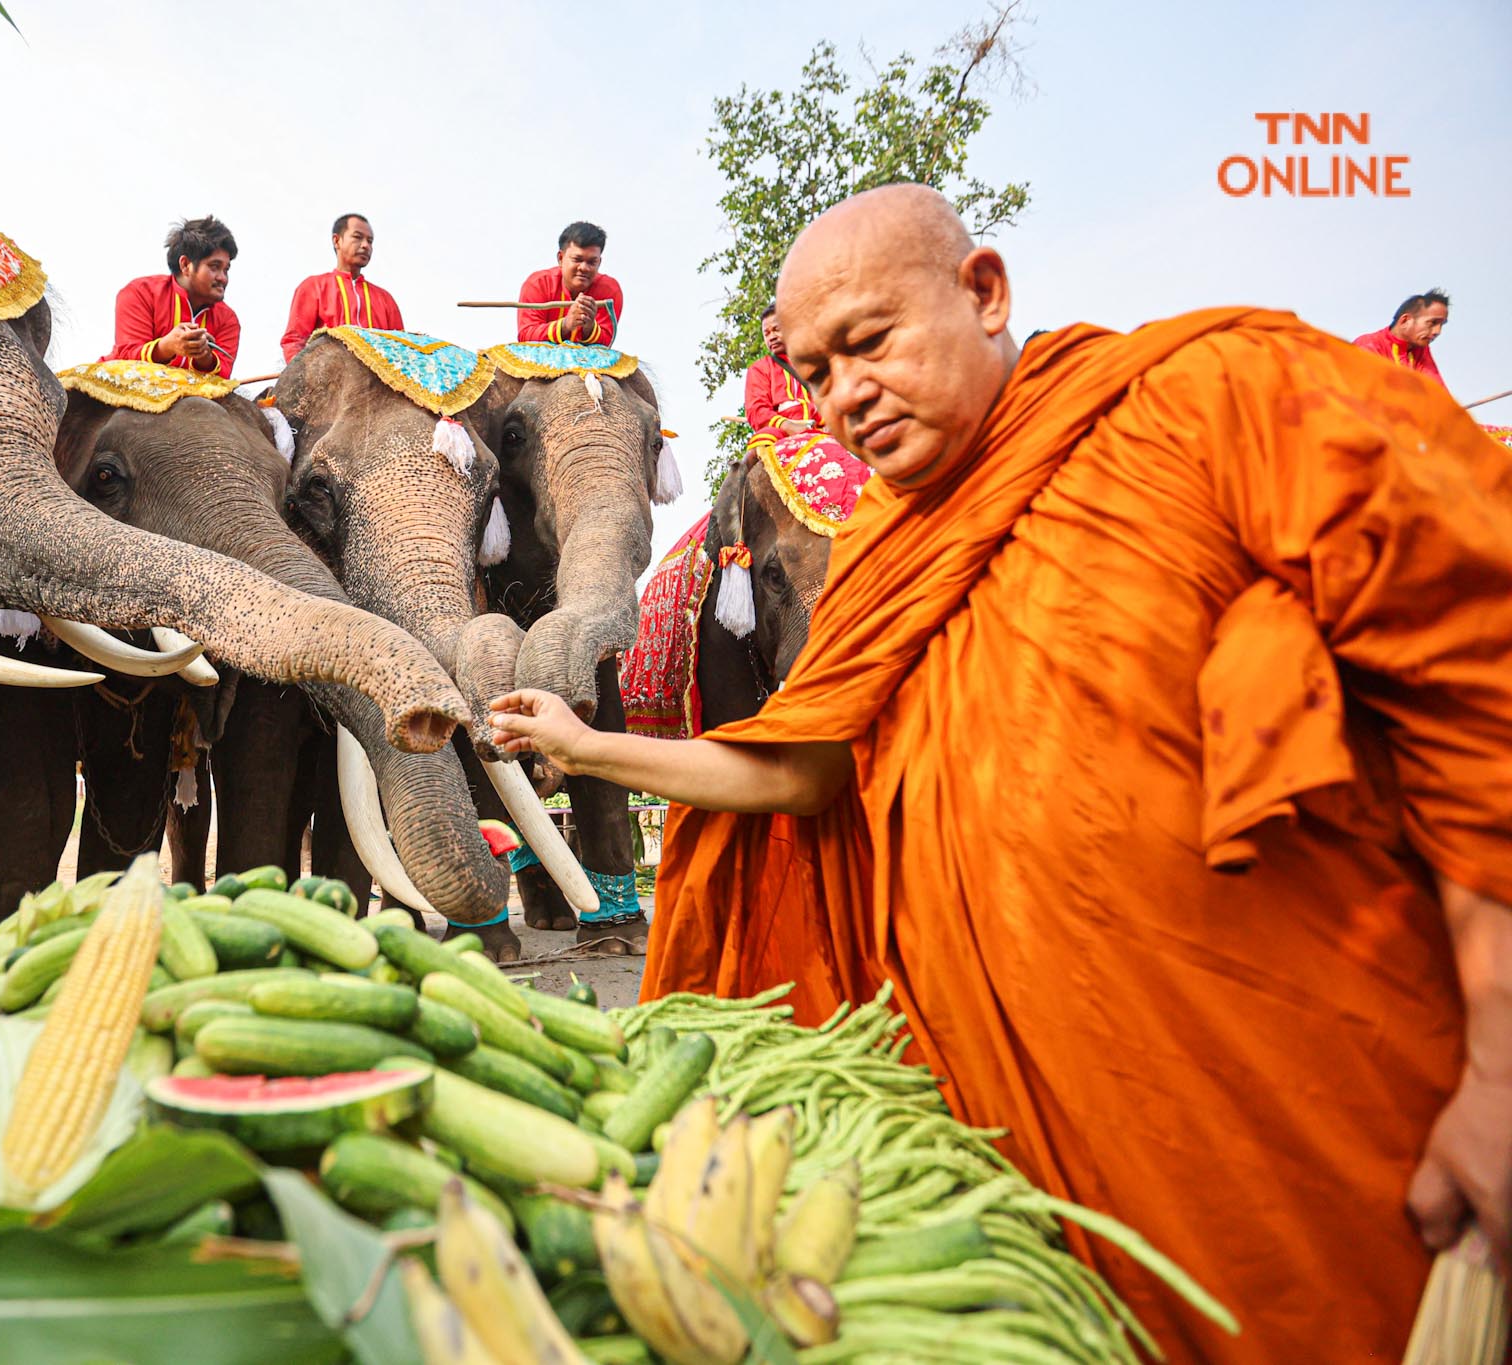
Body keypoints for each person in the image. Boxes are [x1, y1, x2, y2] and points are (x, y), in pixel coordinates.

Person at [489, 184, 1512, 1361]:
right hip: (1021, 1190)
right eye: (814, 373)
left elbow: (1478, 694)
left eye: (869, 342)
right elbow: (799, 769)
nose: (843, 397)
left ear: (985, 292)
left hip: (1293, 1130)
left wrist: (1497, 1069)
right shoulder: (879, 541)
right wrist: (579, 744)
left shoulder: (1213, 398)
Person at [103, 216, 241, 374]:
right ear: (185, 265)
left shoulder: (227, 319)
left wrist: (204, 357)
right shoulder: (140, 292)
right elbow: (126, 358)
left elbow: (223, 375)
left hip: (190, 397)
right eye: (214, 267)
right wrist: (166, 347)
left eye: (226, 269)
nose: (223, 278)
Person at [280, 214, 405, 361]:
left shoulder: (385, 299)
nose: (366, 245)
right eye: (357, 237)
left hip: (378, 382)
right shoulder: (313, 287)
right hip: (326, 379)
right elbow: (294, 341)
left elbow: (401, 350)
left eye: (370, 241)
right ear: (337, 240)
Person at [517, 222, 623, 346]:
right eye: (577, 260)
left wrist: (589, 327)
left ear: (599, 262)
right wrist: (565, 325)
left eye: (592, 262)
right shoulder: (538, 284)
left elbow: (607, 344)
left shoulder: (610, 291)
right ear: (560, 258)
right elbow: (525, 336)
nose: (584, 268)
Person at [742, 301, 821, 434]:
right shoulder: (759, 368)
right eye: (766, 334)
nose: (771, 337)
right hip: (778, 432)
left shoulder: (815, 363)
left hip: (820, 429)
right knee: (757, 448)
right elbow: (757, 410)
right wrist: (788, 426)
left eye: (776, 330)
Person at [1353, 289, 1449, 386]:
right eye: (1433, 322)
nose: (1438, 331)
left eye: (1442, 324)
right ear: (1405, 321)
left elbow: (1437, 393)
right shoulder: (1369, 344)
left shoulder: (1421, 351)